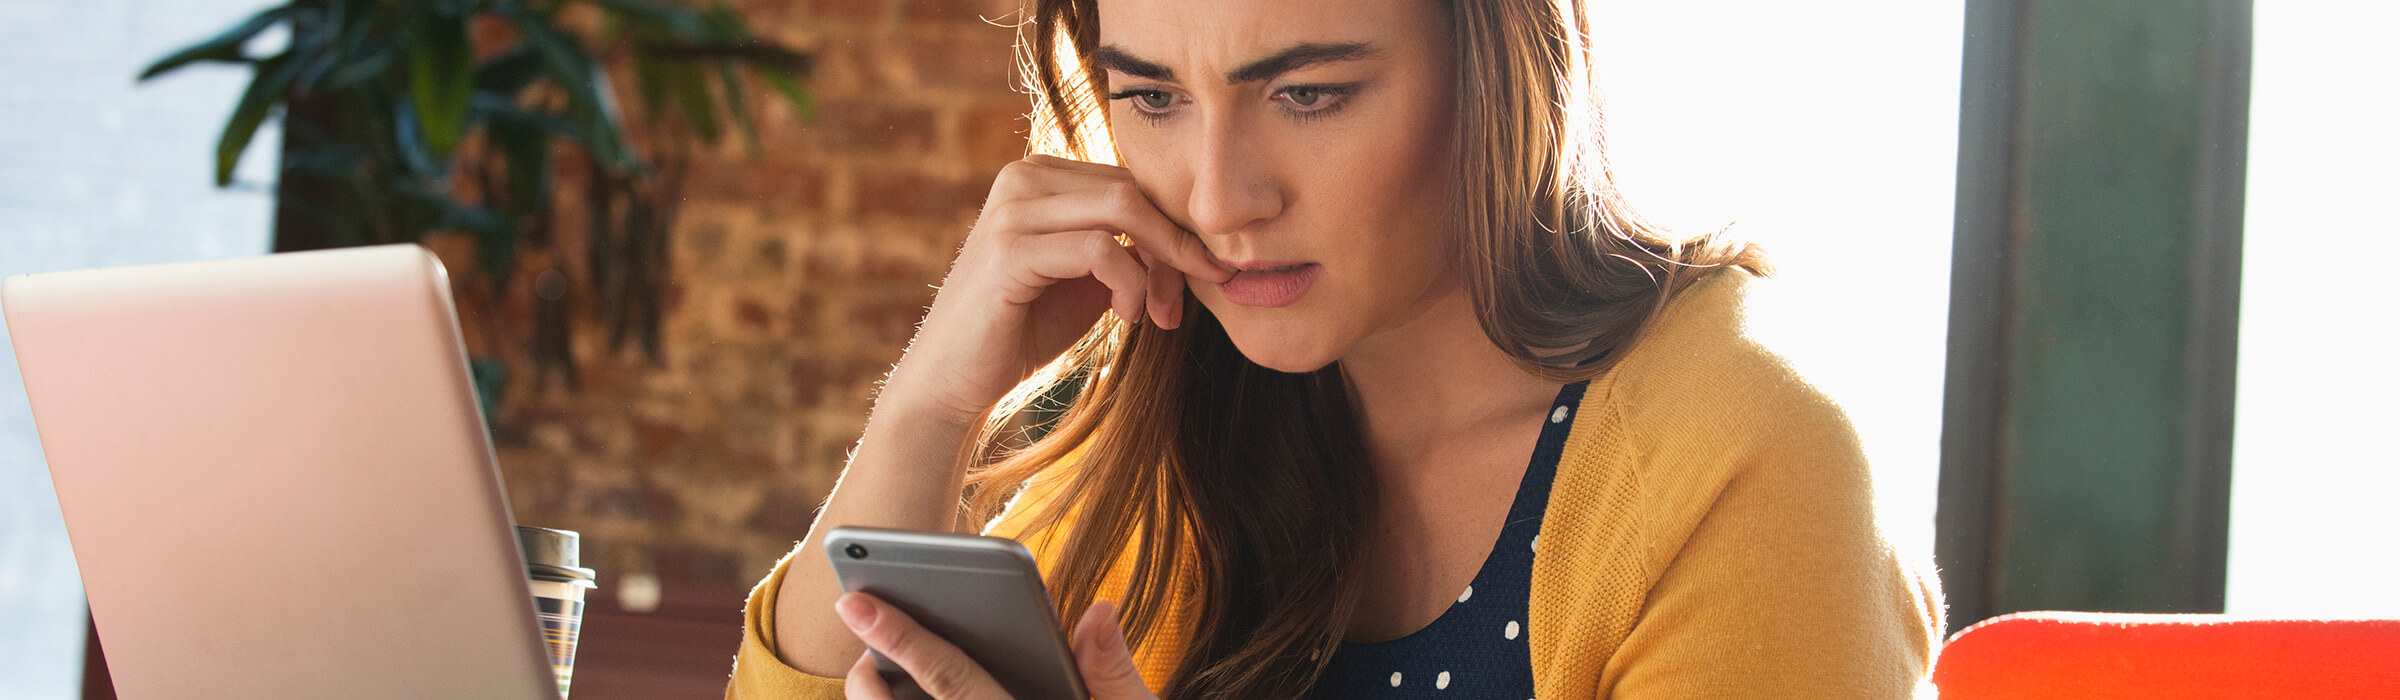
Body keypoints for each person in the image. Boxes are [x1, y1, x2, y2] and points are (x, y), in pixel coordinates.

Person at [727, 0, 1944, 697]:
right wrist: (931, 406)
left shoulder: (1750, 460)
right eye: (1152, 97)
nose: (1217, 195)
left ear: (1491, 66)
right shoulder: (1172, 449)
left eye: (1306, 94)